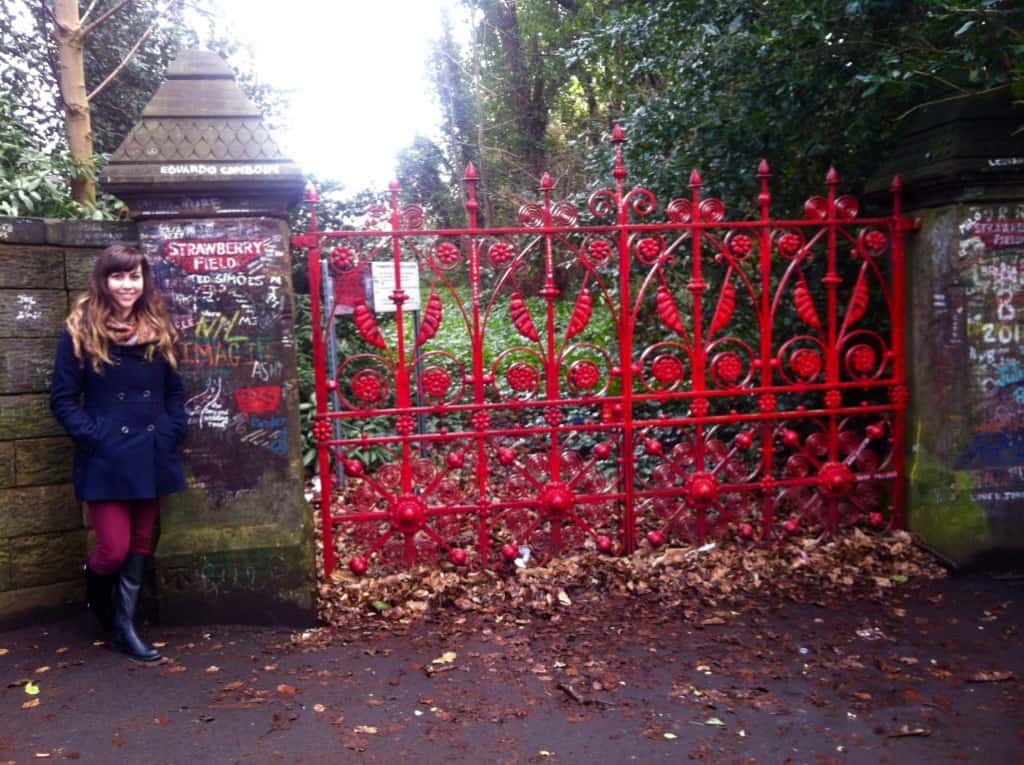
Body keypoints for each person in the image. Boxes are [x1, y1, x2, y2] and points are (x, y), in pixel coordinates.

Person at [50, 245, 187, 661]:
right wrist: (94, 437)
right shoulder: (79, 330)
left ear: (143, 281)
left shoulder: (159, 326)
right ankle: (103, 605)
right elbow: (62, 399)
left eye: (134, 277)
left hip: (150, 449)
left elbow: (174, 391)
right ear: (104, 280)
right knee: (113, 548)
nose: (127, 285)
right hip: (107, 455)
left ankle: (124, 626)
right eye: (118, 276)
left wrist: (171, 430)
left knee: (141, 542)